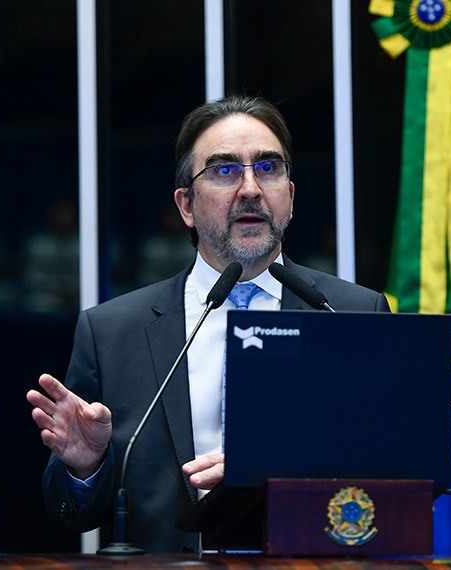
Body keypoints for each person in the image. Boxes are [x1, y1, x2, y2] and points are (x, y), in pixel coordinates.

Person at [26, 95, 390, 552]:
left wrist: (275, 471)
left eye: (268, 168)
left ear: (290, 198)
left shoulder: (353, 314)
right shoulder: (113, 332)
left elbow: (390, 481)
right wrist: (86, 468)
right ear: (186, 206)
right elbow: (73, 513)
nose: (251, 188)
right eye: (224, 171)